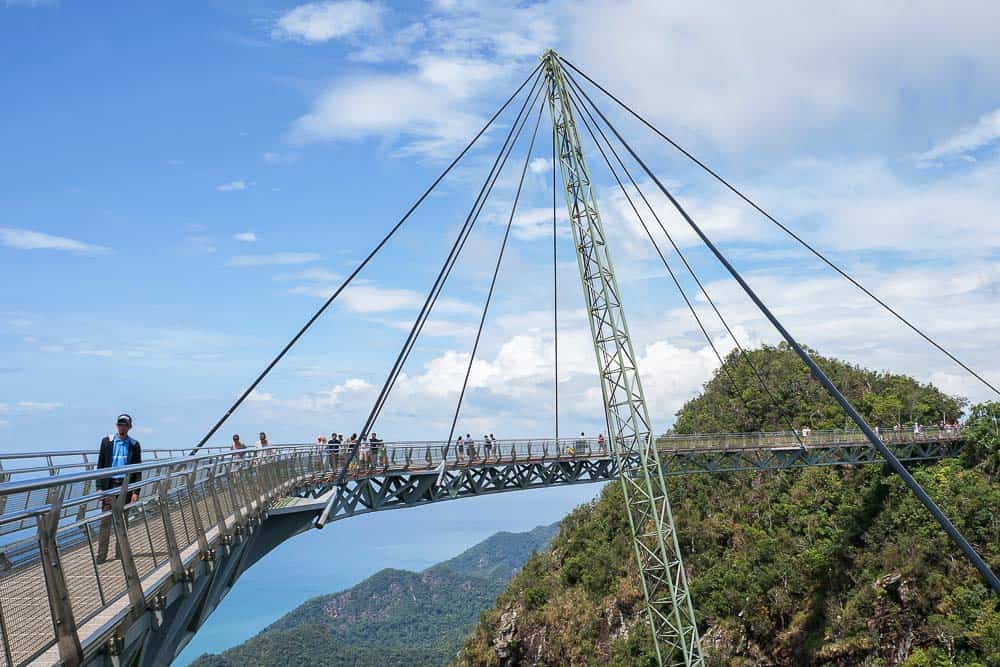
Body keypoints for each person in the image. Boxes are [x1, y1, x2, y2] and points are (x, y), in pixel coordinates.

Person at [96, 414, 143, 563]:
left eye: (125, 425)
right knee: (105, 521)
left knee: (123, 520)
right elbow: (100, 464)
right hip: (109, 486)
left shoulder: (134, 444)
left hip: (126, 487)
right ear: (117, 425)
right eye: (120, 424)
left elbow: (137, 469)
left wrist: (136, 491)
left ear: (129, 427)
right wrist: (99, 486)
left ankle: (119, 552)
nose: (122, 427)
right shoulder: (107, 442)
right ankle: (101, 556)